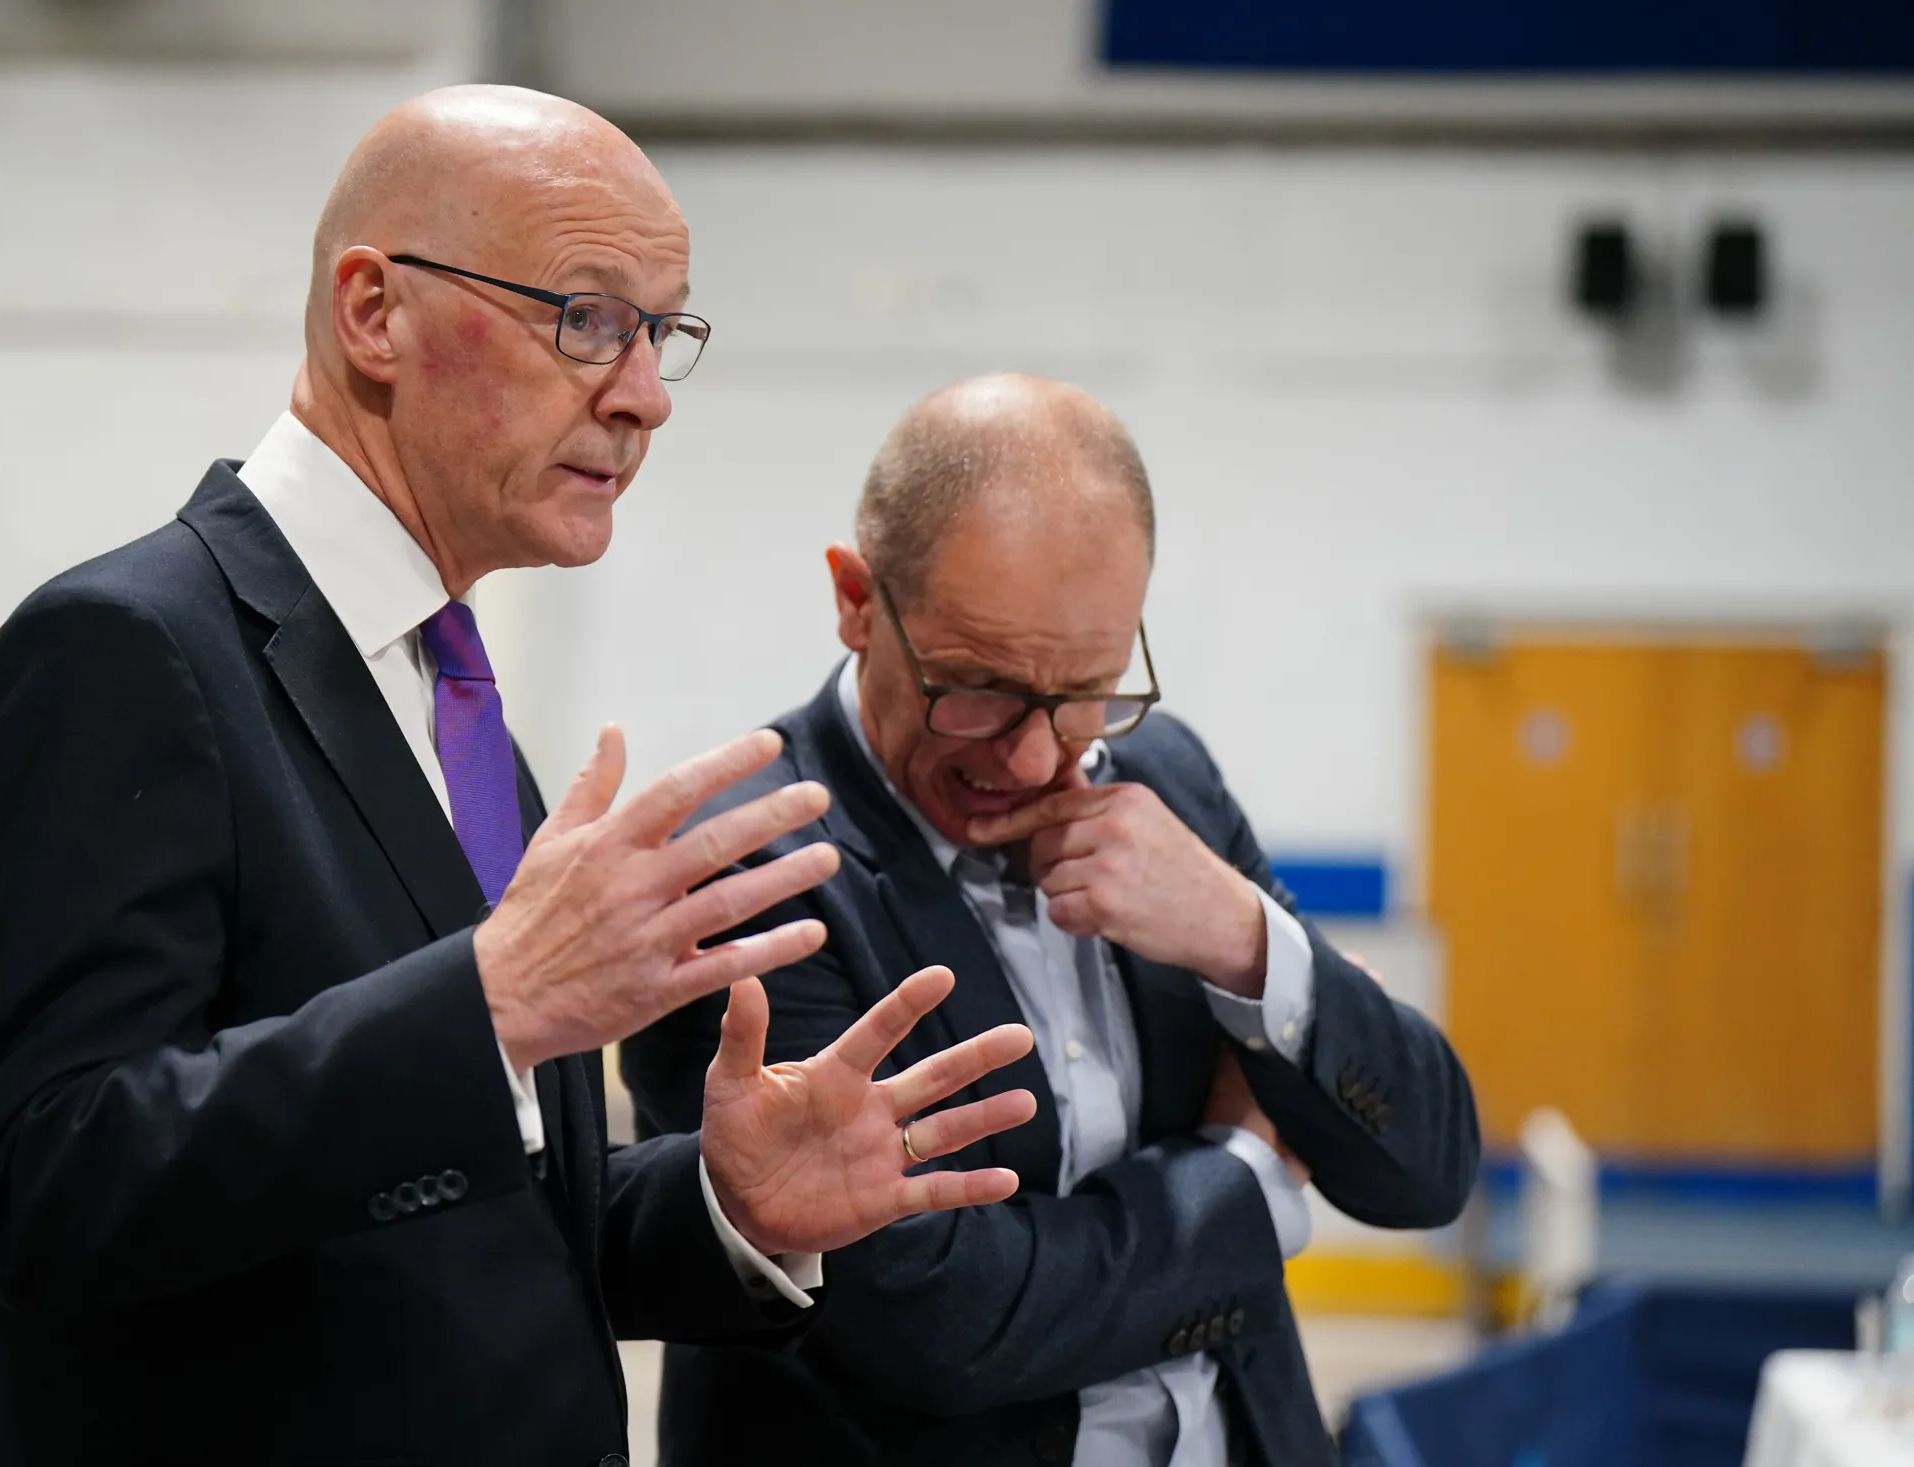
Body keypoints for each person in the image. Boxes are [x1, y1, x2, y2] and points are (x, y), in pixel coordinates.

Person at [0, 86, 1040, 1466]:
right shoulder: (120, 652)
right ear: (373, 312)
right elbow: (51, 1183)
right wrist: (490, 1004)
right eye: (584, 317)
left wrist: (730, 1204)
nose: (640, 394)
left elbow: (466, 1213)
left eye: (661, 331)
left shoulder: (449, 697)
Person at [622, 374, 1481, 1467]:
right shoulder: (743, 871)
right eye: (974, 686)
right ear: (853, 599)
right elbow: (937, 1326)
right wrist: (1246, 1177)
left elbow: (1425, 1168)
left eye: (1084, 689)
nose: (1031, 757)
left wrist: (1245, 940)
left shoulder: (1165, 782)